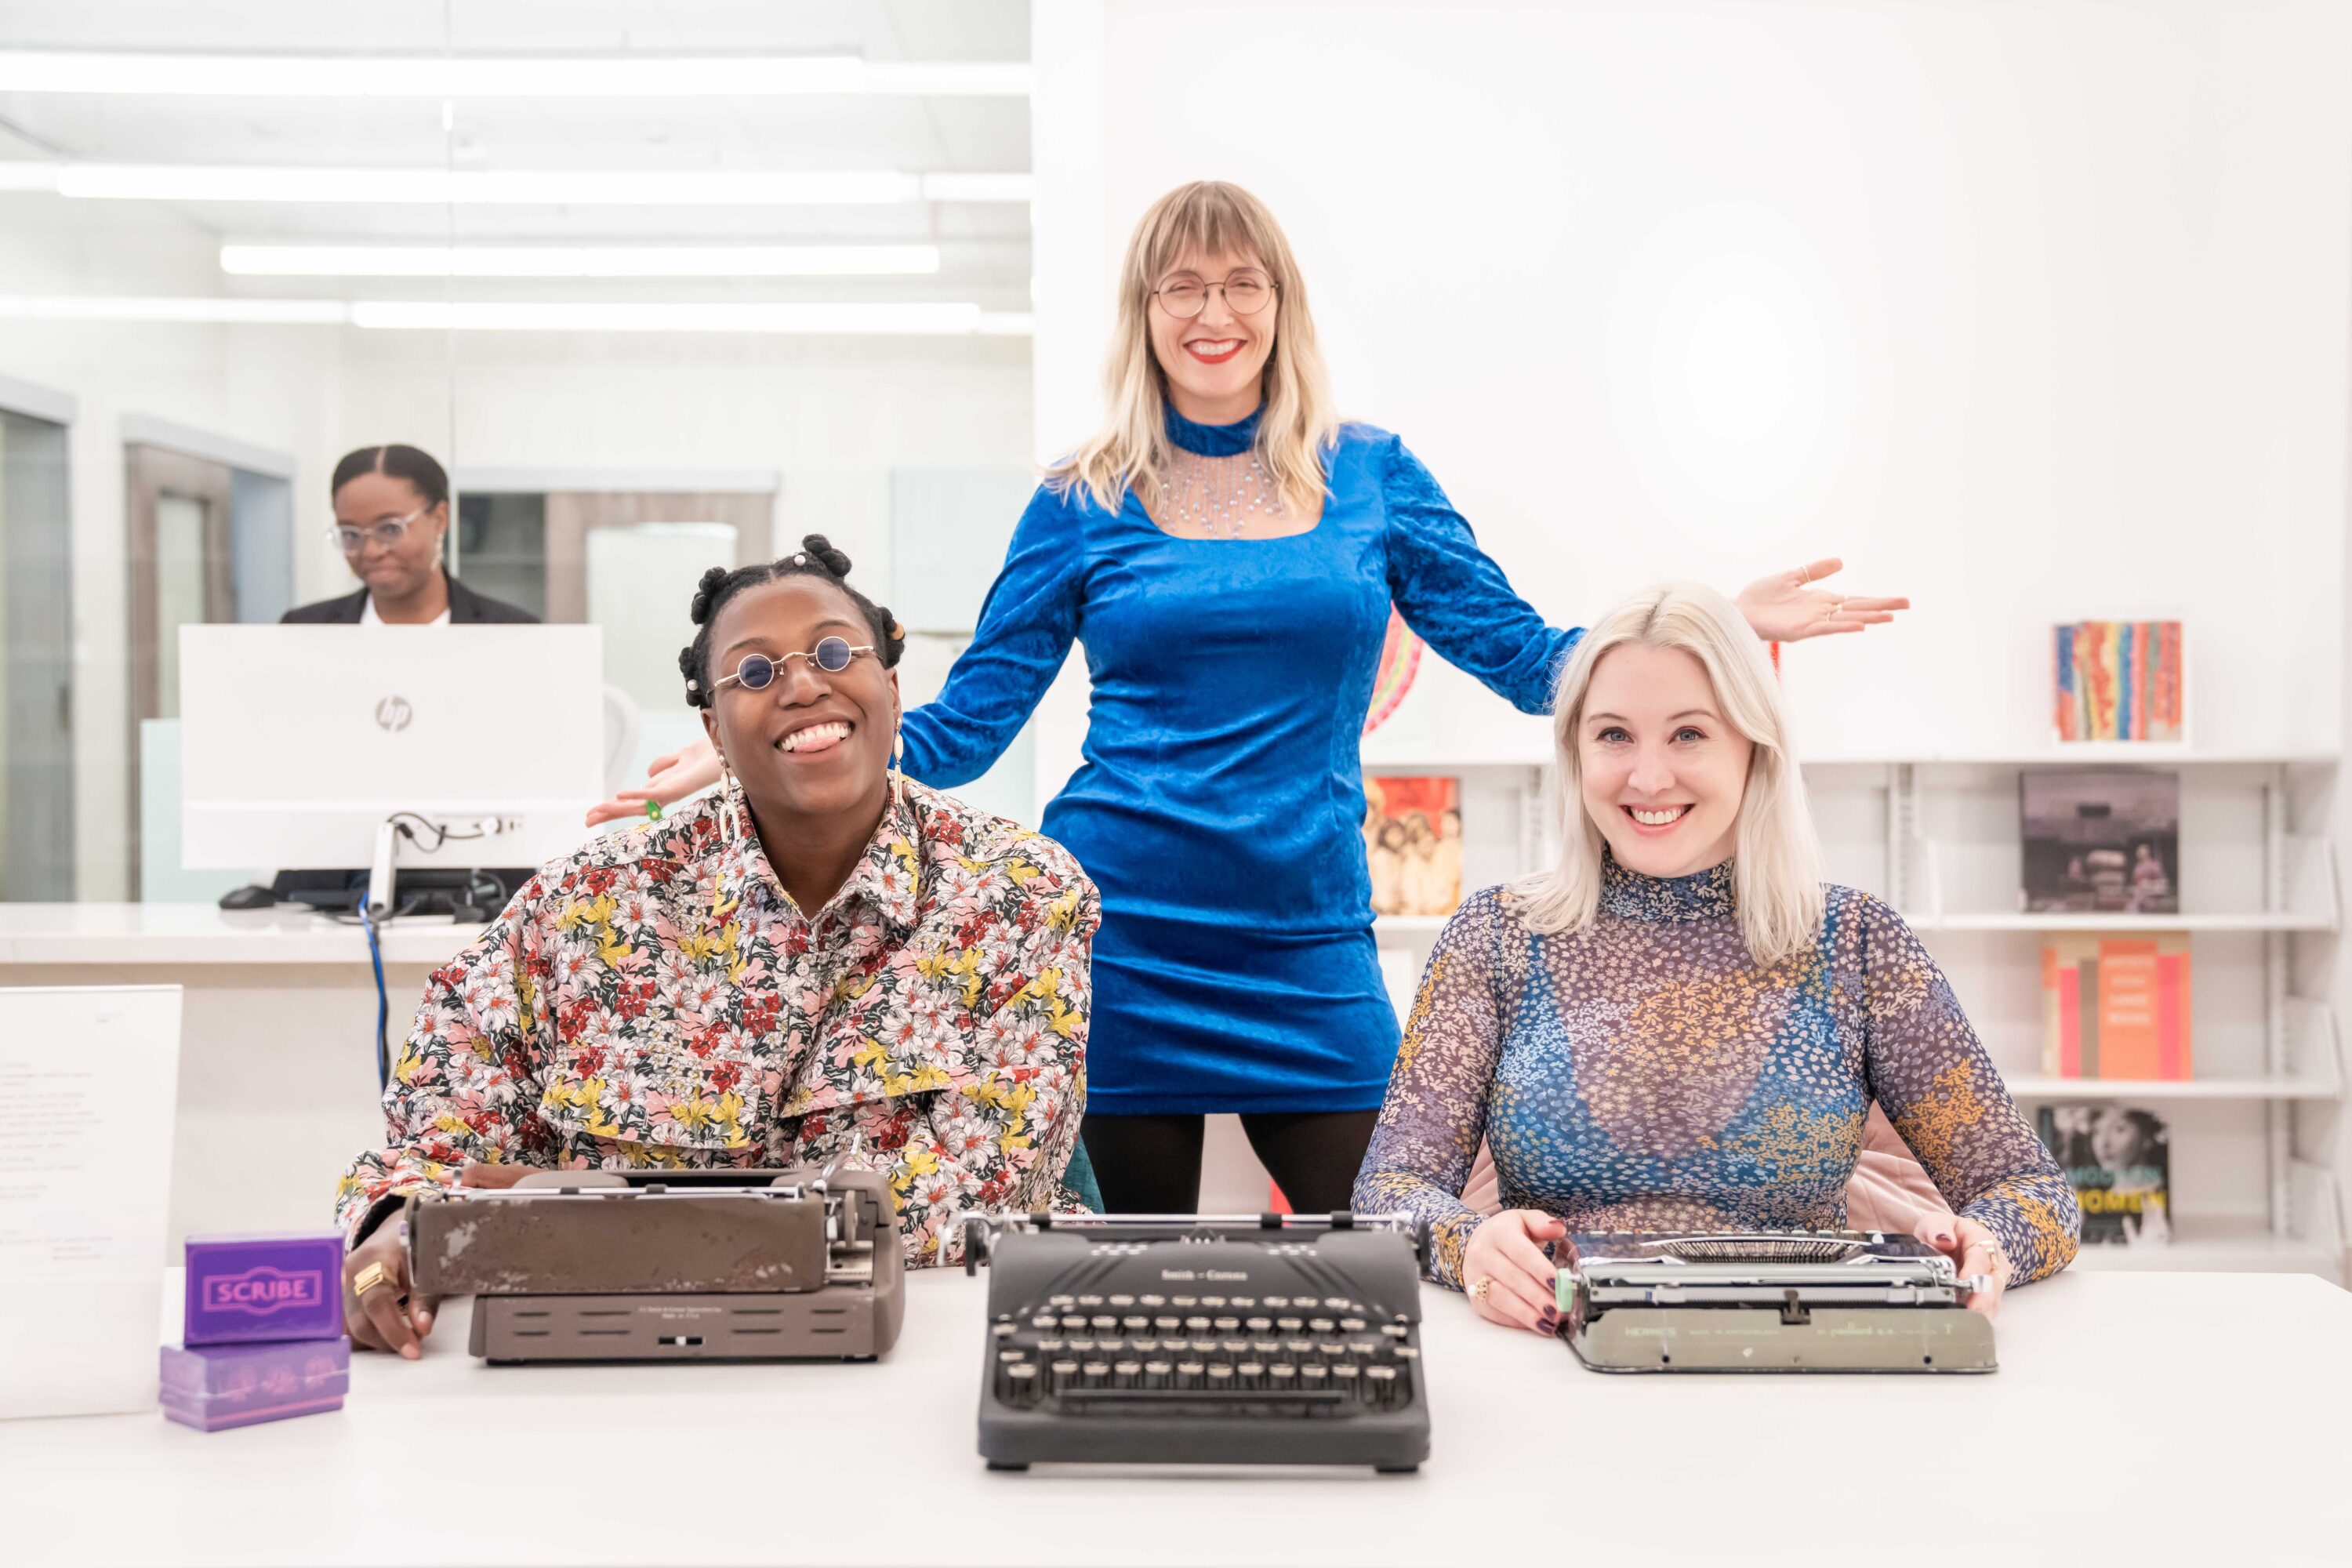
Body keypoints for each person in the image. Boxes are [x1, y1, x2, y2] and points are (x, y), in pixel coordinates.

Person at [586, 180, 1906, 1216]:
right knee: (1118, 1276)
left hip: (1305, 940)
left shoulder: (1371, 475)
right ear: (1144, 312)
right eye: (1181, 287)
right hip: (1118, 939)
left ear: (1281, 304)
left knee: (1397, 1236)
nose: (1212, 312)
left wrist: (1708, 630)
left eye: (1240, 283)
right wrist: (780, 751)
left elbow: (1524, 655)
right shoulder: (1083, 496)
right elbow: (973, 719)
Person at [332, 536, 1099, 1357]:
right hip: (610, 1365)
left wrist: (598, 1216)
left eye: (836, 651)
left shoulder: (1019, 893)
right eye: (757, 672)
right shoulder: (584, 905)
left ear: (893, 685)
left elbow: (980, 1199)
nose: (805, 683)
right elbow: (430, 1151)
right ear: (713, 730)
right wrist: (389, 1228)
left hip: (921, 1347)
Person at [1354, 583, 2079, 1332]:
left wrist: (1990, 1242)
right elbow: (1388, 1192)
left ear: (1754, 745)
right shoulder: (1497, 935)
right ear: (1575, 750)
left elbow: (2032, 1191)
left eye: (1689, 734)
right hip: (1561, 1361)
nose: (1648, 777)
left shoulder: (1857, 942)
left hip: (1802, 1368)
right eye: (1613, 735)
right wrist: (1468, 1247)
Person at [283, 444, 535, 626]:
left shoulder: (509, 632)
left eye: (390, 529)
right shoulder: (306, 630)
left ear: (440, 519)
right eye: (351, 534)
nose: (370, 551)